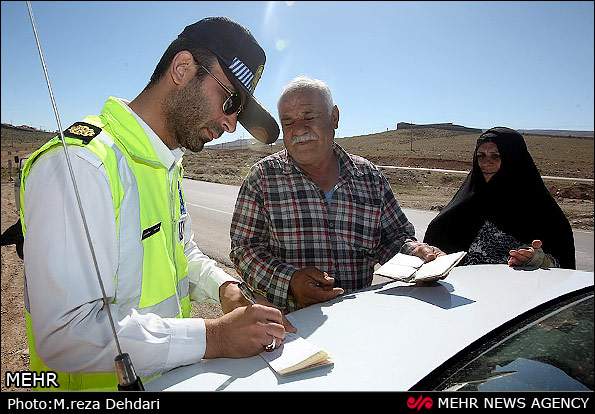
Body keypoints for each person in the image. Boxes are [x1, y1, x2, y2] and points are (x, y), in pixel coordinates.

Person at [20, 17, 295, 391]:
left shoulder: (166, 164)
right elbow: (66, 332)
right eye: (230, 102)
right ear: (182, 69)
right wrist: (213, 337)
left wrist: (226, 288)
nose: (231, 125)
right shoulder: (83, 164)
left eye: (239, 114)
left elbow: (182, 253)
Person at [229, 75, 445, 313]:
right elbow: (244, 250)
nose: (298, 129)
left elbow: (392, 239)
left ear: (334, 118)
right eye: (288, 122)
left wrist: (417, 254)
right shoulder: (262, 178)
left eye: (309, 117)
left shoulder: (369, 178)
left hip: (356, 321)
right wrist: (290, 281)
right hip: (291, 330)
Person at [423, 127, 575, 269]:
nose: (485, 163)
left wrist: (538, 260)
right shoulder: (462, 208)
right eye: (480, 156)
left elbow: (564, 268)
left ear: (514, 160)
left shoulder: (544, 214)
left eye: (496, 156)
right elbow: (432, 252)